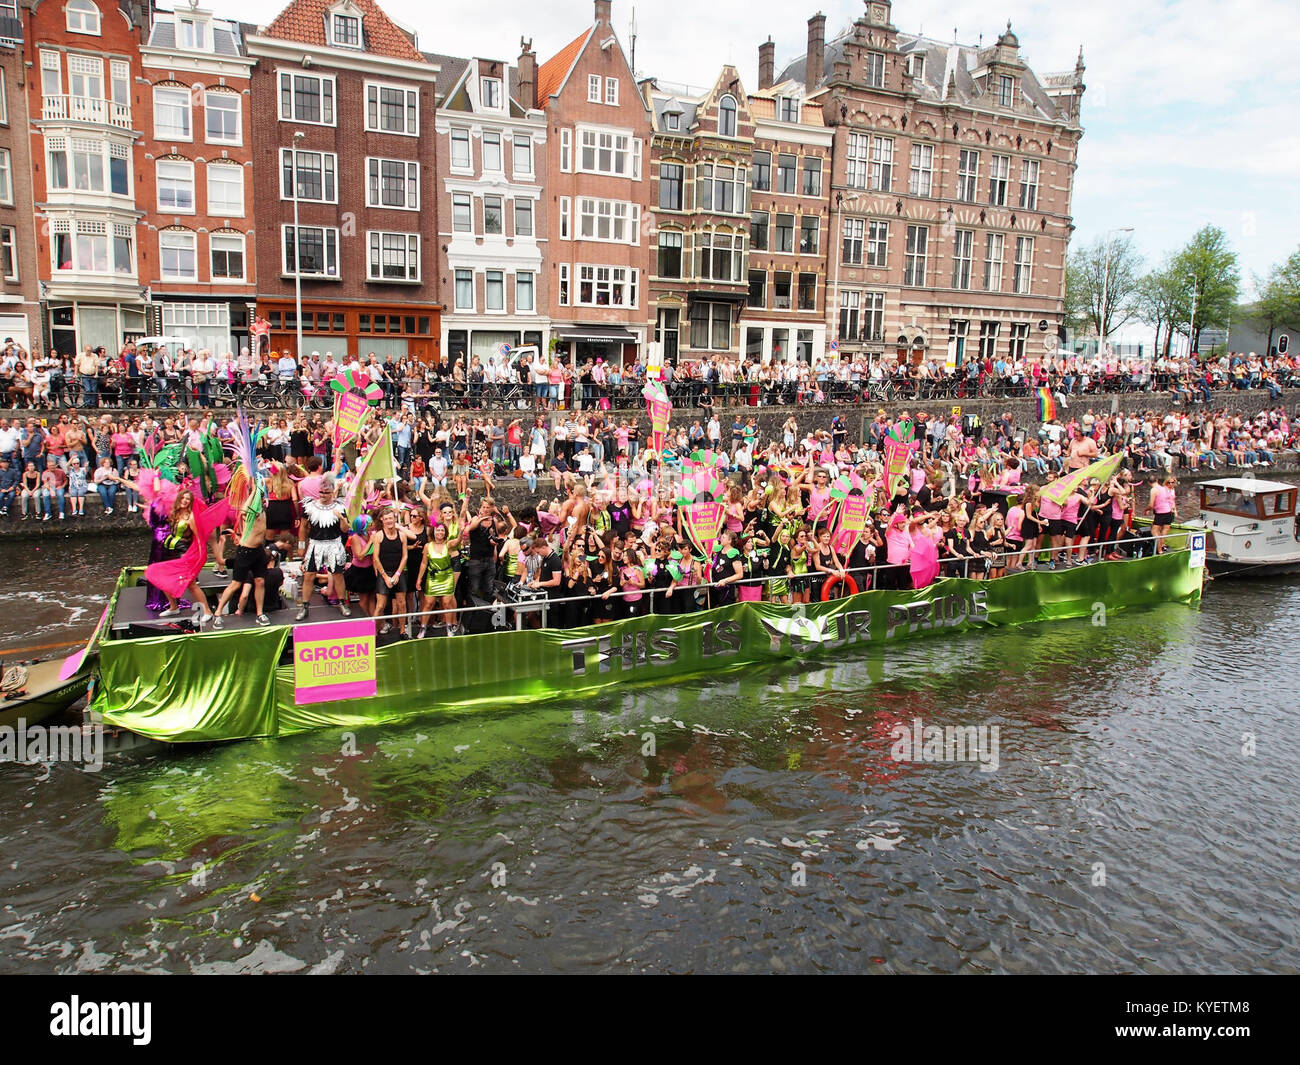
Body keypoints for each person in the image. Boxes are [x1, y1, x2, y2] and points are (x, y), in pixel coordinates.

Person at [296, 475, 350, 619]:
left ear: (332, 492)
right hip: (315, 544)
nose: (323, 495)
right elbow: (303, 527)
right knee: (308, 575)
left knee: (338, 575)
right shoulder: (309, 506)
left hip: (334, 544)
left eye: (326, 492)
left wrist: (341, 518)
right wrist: (301, 545)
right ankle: (304, 607)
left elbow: (345, 529)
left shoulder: (340, 507)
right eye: (321, 492)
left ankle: (342, 603)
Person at [212, 505, 272, 626]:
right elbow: (245, 508)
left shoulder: (262, 510)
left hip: (258, 551)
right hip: (246, 551)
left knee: (260, 581)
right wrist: (220, 543)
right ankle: (217, 613)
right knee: (236, 584)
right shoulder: (248, 512)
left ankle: (260, 614)